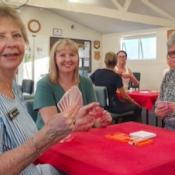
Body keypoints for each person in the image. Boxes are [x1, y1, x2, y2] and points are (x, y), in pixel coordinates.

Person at [0, 6, 108, 175]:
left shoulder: (13, 88)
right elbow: (47, 131)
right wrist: (53, 131)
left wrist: (83, 122)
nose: (11, 43)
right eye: (0, 36)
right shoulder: (44, 84)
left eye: (16, 35)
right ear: (54, 59)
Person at [34, 39, 112, 129]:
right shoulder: (44, 84)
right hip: (52, 140)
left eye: (72, 55)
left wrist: (100, 121)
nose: (68, 59)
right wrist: (77, 124)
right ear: (54, 59)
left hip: (81, 136)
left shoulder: (86, 82)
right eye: (62, 55)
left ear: (77, 58)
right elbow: (52, 127)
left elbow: (93, 119)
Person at [90, 52, 142, 122]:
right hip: (113, 107)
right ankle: (126, 124)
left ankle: (121, 122)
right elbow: (124, 96)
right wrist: (134, 102)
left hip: (100, 106)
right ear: (116, 62)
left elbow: (89, 83)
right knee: (138, 107)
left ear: (105, 61)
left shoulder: (97, 72)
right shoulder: (116, 76)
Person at [155, 32, 175, 130]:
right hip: (169, 127)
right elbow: (159, 100)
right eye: (171, 54)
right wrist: (158, 110)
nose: (173, 58)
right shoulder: (168, 75)